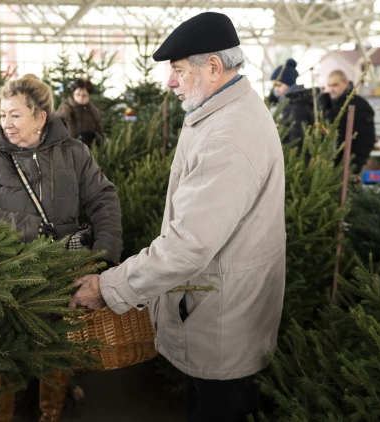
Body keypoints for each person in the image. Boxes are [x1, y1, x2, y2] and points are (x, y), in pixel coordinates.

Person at [69, 12, 286, 422]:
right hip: (216, 310)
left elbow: (189, 244)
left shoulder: (228, 135)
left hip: (223, 322)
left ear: (214, 67)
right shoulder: (219, 112)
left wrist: (110, 287)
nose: (171, 82)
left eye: (178, 70)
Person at [0, 73, 122, 422]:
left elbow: (104, 199)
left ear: (40, 116)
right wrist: (29, 227)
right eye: (2, 114)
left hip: (59, 273)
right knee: (0, 347)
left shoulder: (74, 153)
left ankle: (50, 414)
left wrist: (106, 255)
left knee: (56, 345)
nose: (6, 122)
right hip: (6, 275)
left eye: (15, 114)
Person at [318, 69, 376, 174]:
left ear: (346, 83)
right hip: (328, 167)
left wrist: (355, 167)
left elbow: (366, 139)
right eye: (329, 85)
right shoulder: (328, 105)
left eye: (335, 85)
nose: (331, 89)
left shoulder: (359, 106)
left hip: (347, 167)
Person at [269, 58, 316, 151]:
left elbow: (296, 138)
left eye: (279, 85)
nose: (276, 89)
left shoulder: (297, 104)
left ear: (289, 84)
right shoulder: (284, 102)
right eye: (274, 86)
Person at [55, 79, 105, 148]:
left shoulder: (93, 111)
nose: (80, 98)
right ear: (73, 94)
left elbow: (101, 136)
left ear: (89, 96)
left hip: (88, 152)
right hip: (67, 151)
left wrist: (94, 136)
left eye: (84, 95)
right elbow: (53, 133)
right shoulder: (64, 110)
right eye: (78, 94)